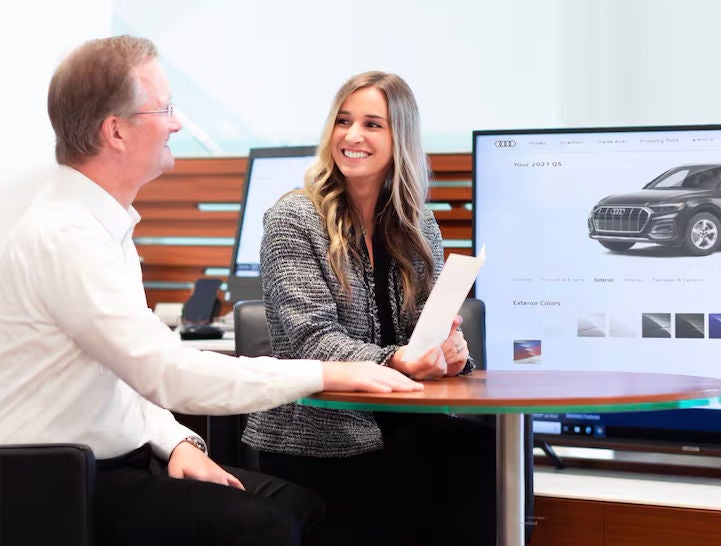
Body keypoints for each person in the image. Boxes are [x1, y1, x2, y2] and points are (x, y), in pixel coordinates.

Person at [0, 36, 424, 546]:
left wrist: (177, 441)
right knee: (267, 527)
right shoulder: (66, 236)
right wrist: (328, 372)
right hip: (54, 485)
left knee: (298, 505)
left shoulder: (102, 228)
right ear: (115, 130)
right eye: (166, 109)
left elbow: (124, 377)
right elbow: (165, 373)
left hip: (112, 460)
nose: (177, 123)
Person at [242, 71, 496, 546]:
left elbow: (421, 327)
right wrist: (394, 360)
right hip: (322, 436)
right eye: (343, 121)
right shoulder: (293, 219)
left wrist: (449, 350)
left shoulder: (417, 223)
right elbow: (309, 340)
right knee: (435, 486)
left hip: (405, 420)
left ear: (400, 137)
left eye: (372, 124)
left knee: (484, 454)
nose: (352, 136)